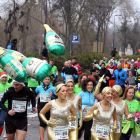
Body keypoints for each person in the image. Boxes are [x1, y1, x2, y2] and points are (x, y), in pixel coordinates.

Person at [0, 72, 12, 136]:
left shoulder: (9, 86)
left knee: (1, 121)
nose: (4, 79)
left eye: (5, 77)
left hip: (5, 107)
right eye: (3, 77)